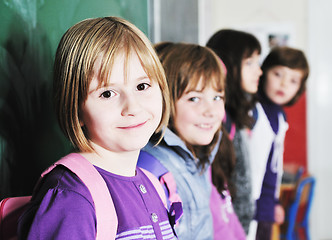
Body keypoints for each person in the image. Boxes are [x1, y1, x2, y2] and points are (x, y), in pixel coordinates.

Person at [17, 16, 178, 239]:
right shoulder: (72, 195)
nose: (132, 107)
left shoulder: (153, 183)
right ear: (76, 108)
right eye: (107, 93)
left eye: (142, 86)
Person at [138, 42, 244, 240]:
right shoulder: (152, 170)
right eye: (194, 99)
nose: (211, 111)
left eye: (217, 97)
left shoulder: (196, 156)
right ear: (164, 100)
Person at [206, 29, 263, 235]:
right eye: (250, 63)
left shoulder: (237, 111)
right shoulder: (215, 119)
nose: (259, 71)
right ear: (227, 66)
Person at [249, 46, 309, 240]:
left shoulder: (280, 116)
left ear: (299, 88)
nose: (284, 84)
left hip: (266, 207)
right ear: (263, 72)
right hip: (248, 206)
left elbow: (272, 167)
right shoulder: (252, 110)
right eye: (278, 74)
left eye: (293, 81)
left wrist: (275, 202)